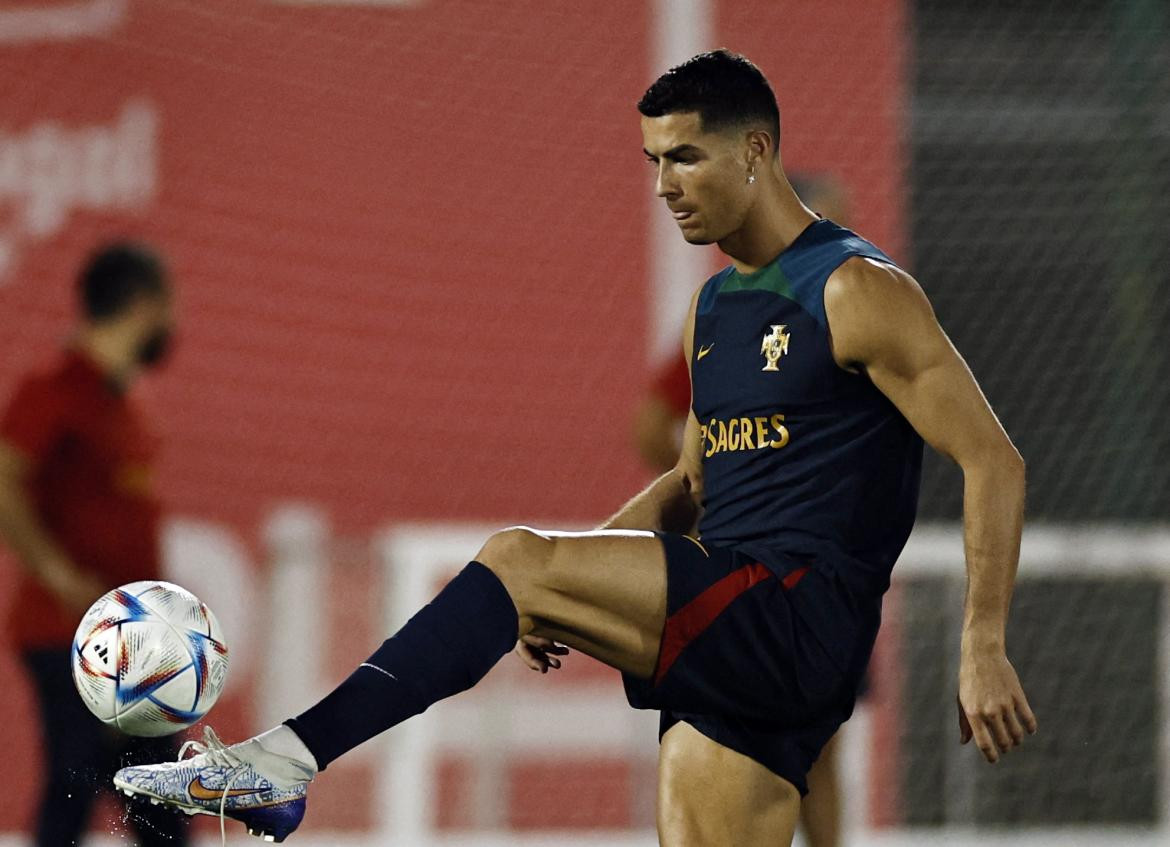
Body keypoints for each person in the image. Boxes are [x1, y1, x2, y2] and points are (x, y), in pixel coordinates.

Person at [114, 50, 1036, 846]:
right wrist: (576, 581)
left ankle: (283, 762)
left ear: (756, 151)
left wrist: (983, 643)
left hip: (796, 615)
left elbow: (994, 458)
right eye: (652, 160)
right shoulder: (712, 311)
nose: (665, 183)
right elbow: (689, 482)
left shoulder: (857, 289)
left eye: (686, 156)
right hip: (737, 630)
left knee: (515, 555)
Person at [634, 171, 855, 847]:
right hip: (738, 565)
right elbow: (653, 429)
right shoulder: (729, 318)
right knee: (720, 734)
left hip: (822, 566)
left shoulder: (861, 314)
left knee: (820, 741)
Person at [0, 242, 187, 846]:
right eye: (167, 308)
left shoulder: (119, 399)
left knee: (141, 792)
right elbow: (2, 475)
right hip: (72, 631)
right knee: (95, 782)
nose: (171, 325)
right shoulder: (57, 392)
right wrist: (53, 570)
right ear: (141, 306)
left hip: (127, 638)